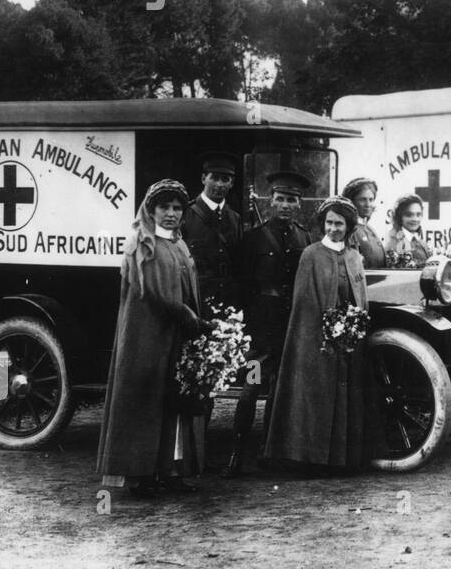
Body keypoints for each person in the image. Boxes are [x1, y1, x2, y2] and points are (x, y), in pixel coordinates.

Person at [97, 179, 205, 497]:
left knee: (172, 401)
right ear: (151, 210)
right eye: (164, 208)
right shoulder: (142, 245)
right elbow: (152, 294)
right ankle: (139, 474)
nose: (170, 214)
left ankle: (169, 469)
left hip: (174, 337)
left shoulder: (179, 245)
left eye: (176, 208)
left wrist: (195, 318)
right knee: (144, 402)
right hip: (147, 338)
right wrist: (185, 313)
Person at [264, 196, 380, 470]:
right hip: (318, 339)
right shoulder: (311, 255)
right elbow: (305, 303)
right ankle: (314, 458)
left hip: (348, 340)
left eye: (339, 223)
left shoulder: (353, 256)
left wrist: (352, 326)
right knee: (318, 396)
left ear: (349, 226)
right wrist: (327, 332)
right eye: (329, 222)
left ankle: (344, 458)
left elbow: (360, 298)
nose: (333, 228)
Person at [222, 170, 312, 477]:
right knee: (250, 388)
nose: (286, 205)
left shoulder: (305, 238)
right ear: (270, 201)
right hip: (261, 330)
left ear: (299, 204)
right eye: (280, 199)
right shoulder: (254, 238)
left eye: (292, 200)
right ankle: (235, 453)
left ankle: (270, 453)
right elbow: (242, 284)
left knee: (280, 391)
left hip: (290, 326)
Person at [180, 151, 243, 309]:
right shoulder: (186, 215)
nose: (219, 184)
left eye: (225, 179)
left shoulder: (235, 219)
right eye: (214, 178)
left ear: (232, 183)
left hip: (229, 304)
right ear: (203, 179)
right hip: (196, 302)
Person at [343, 177, 387, 269]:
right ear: (352, 201)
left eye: (371, 200)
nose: (368, 205)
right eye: (362, 200)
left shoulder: (370, 229)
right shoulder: (348, 230)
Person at [383, 193, 432, 266]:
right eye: (409, 215)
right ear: (400, 216)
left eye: (418, 215)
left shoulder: (422, 244)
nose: (415, 219)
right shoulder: (392, 243)